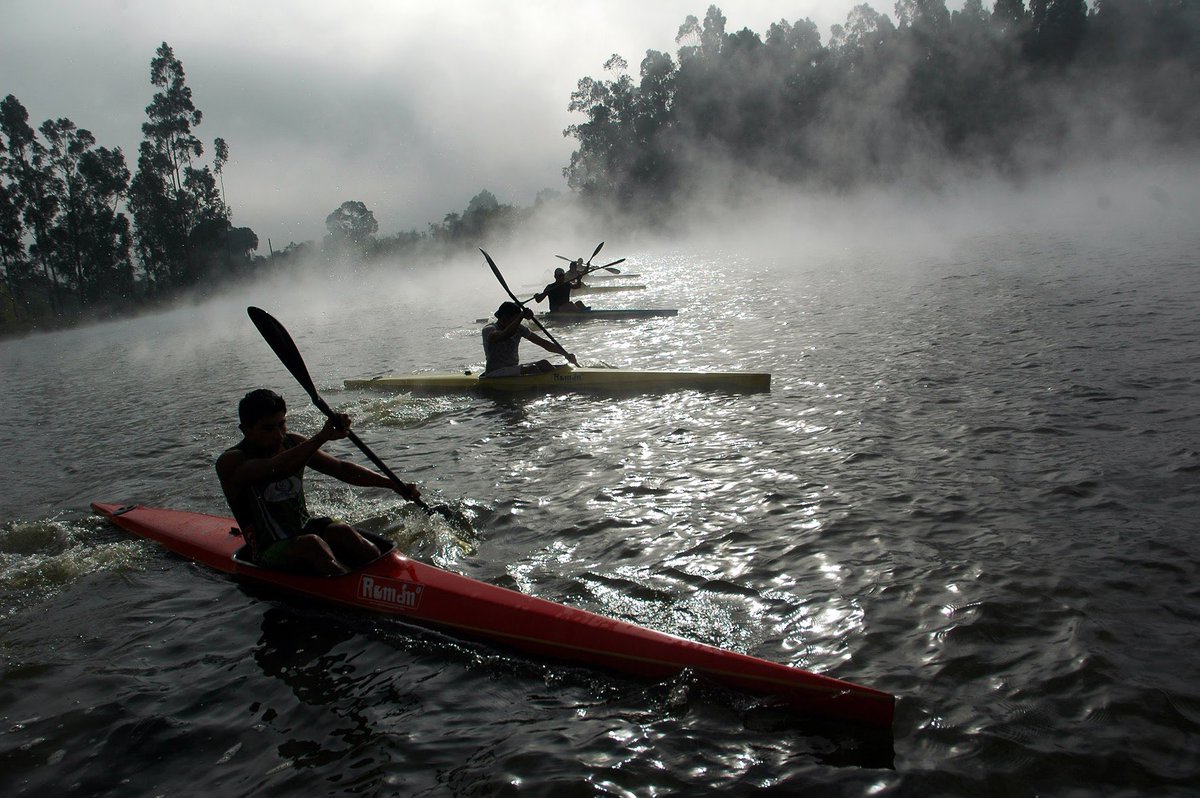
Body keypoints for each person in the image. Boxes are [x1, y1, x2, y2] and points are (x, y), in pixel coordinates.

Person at [215, 388, 421, 576]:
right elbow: (276, 469)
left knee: (344, 533)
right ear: (246, 430)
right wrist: (322, 437)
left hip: (305, 529)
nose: (278, 435)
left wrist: (394, 484)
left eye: (282, 424)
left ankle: (393, 580)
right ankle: (355, 591)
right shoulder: (231, 462)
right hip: (266, 549)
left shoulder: (293, 442)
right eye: (268, 428)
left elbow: (341, 469)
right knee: (311, 545)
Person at [481, 301, 578, 377]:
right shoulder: (489, 329)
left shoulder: (519, 328)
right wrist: (521, 316)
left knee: (544, 364)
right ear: (504, 318)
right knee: (532, 369)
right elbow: (505, 335)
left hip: (512, 368)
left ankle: (558, 381)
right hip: (494, 372)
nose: (517, 322)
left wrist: (565, 354)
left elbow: (543, 343)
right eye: (514, 319)